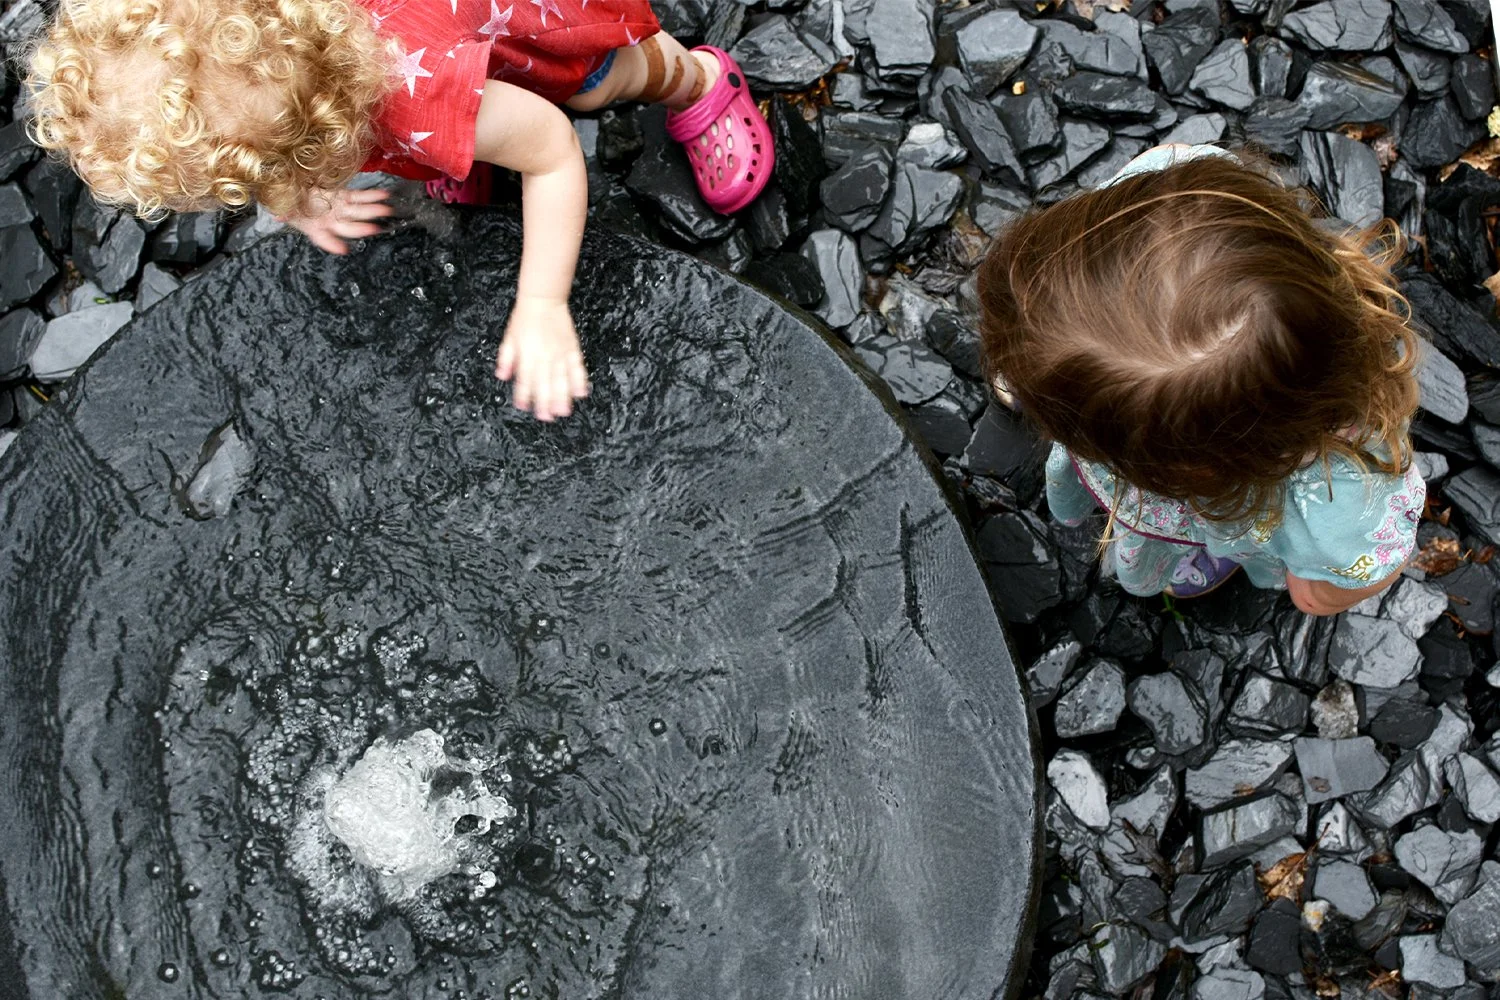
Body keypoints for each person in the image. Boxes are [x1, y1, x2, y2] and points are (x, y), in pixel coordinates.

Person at [26, 0, 774, 422]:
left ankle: (702, 81)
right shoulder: (252, 59)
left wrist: (543, 302)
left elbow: (550, 153)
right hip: (432, 56)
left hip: (529, 25)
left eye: (280, 168)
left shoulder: (411, 98)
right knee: (481, 121)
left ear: (324, 124)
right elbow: (256, 150)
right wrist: (298, 200)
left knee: (601, 82)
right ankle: (468, 145)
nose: (261, 190)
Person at [976, 145, 1425, 617]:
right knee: (1068, 355)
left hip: (1190, 485)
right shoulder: (1174, 195)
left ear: (1182, 475)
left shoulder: (1349, 495)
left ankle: (1070, 402)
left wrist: (1319, 584)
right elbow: (1319, 591)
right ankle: (1052, 375)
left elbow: (1362, 564)